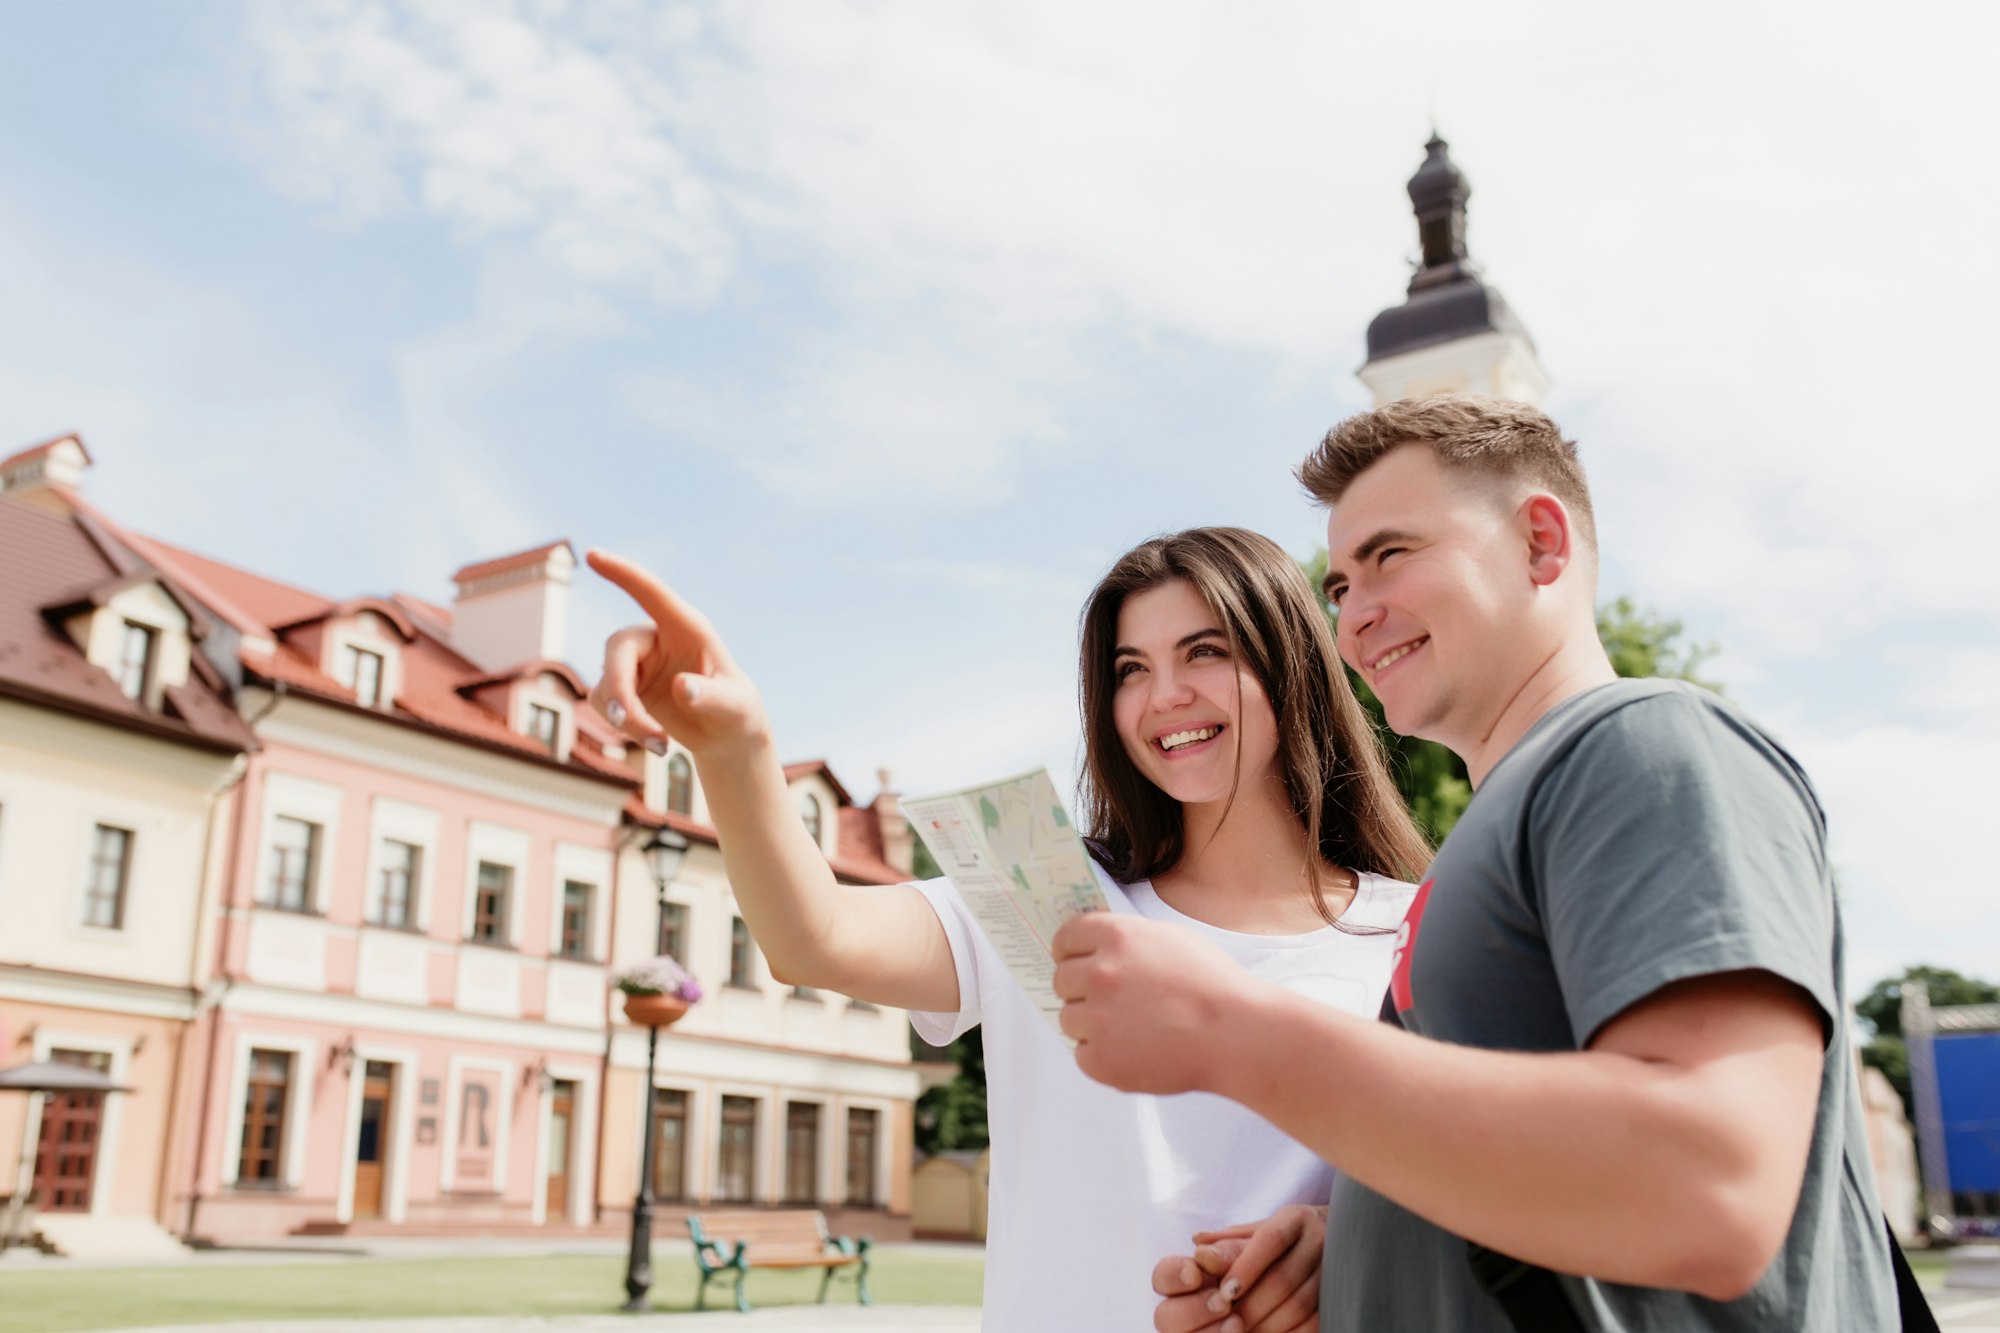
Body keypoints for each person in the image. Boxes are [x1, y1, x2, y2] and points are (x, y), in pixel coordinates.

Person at [1063, 396, 1900, 1332]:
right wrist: (1362, 1236)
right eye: (1339, 587)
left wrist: (1234, 1032)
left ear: (1542, 544)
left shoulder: (1646, 746)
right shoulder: (1489, 843)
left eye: (1391, 555)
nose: (1354, 619)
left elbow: (1712, 1186)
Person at [586, 527, 1431, 1331]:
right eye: (1130, 668)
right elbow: (817, 937)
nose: (1164, 695)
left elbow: (1477, 1191)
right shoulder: (1045, 891)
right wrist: (737, 749)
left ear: (1289, 667)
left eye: (1205, 651)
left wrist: (1343, 1237)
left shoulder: (1414, 928)